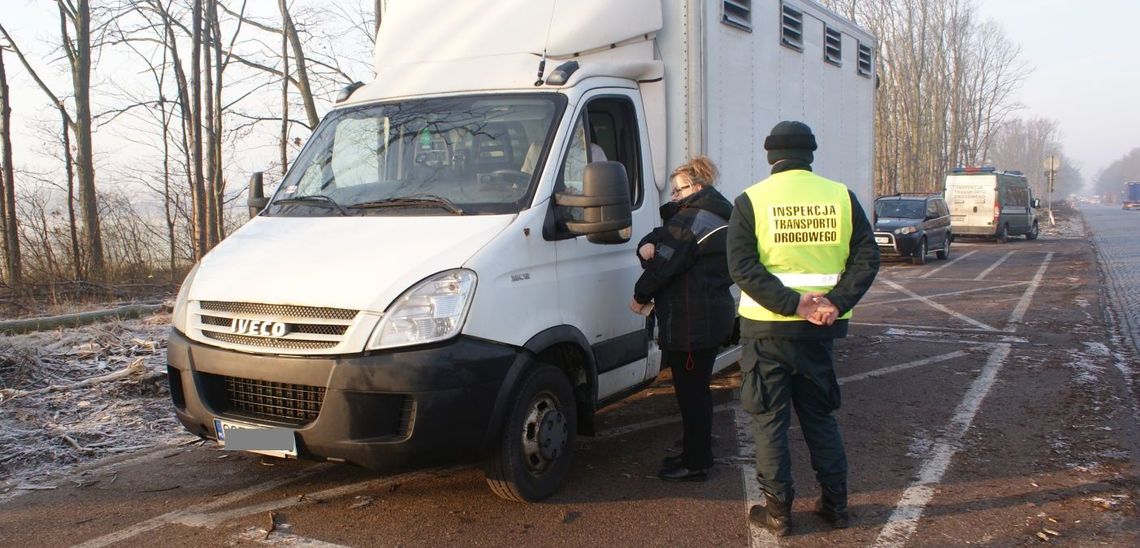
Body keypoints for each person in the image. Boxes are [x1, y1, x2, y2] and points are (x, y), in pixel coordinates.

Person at [727, 121, 879, 535]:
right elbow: (867, 257)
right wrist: (835, 301)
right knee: (820, 418)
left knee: (769, 421)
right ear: (811, 154)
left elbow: (742, 267)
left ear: (770, 155)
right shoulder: (841, 197)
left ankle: (778, 514)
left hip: (766, 331)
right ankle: (836, 505)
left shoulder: (752, 200)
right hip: (820, 332)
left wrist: (791, 303)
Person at [630, 155, 735, 482]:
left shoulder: (694, 219)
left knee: (692, 396)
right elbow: (665, 241)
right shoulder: (708, 215)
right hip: (705, 316)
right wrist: (648, 243)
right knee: (696, 392)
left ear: (697, 186)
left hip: (692, 322)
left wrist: (640, 295)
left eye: (678, 190)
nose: (673, 197)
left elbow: (666, 263)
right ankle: (695, 448)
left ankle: (697, 462)